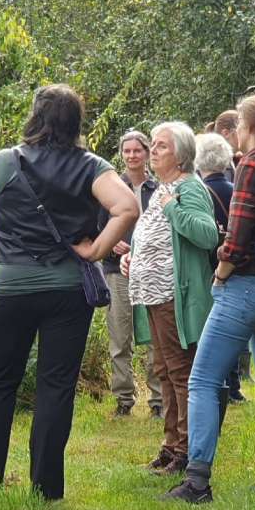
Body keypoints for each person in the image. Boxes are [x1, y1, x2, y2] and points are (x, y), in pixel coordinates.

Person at [0, 84, 138, 500]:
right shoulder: (91, 166)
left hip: (11, 285)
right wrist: (96, 249)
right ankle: (46, 488)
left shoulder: (5, 160)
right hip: (66, 289)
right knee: (56, 385)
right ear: (75, 123)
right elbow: (128, 207)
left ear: (35, 117)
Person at [167, 94, 255, 503]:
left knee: (203, 379)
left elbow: (237, 233)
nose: (236, 131)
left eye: (239, 123)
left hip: (246, 285)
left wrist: (220, 273)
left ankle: (197, 482)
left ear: (252, 126)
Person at [121, 122, 218, 477]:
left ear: (180, 154)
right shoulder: (165, 188)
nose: (153, 151)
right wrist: (132, 256)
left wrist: (174, 208)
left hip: (173, 297)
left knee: (181, 372)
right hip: (153, 295)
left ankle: (186, 452)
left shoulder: (189, 188)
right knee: (165, 371)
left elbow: (207, 235)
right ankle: (170, 446)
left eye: (161, 146)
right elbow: (154, 238)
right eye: (154, 145)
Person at [98, 130, 162, 418]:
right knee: (120, 337)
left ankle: (159, 399)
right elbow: (96, 226)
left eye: (138, 150)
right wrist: (112, 244)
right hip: (116, 269)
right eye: (127, 151)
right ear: (121, 155)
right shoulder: (110, 187)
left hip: (152, 270)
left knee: (153, 336)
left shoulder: (158, 188)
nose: (132, 156)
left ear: (147, 153)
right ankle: (124, 399)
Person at [195, 132, 246, 406]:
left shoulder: (198, 192)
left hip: (209, 266)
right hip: (236, 266)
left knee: (212, 329)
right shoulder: (236, 190)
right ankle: (234, 385)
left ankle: (218, 382)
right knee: (232, 328)